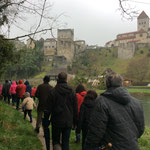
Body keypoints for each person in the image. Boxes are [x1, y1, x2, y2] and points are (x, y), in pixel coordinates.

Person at [84, 73, 145, 150]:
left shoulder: (101, 102)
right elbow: (141, 129)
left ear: (107, 84)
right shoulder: (137, 102)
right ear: (121, 83)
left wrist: (88, 147)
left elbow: (95, 132)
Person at [44, 72, 78, 150]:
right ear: (66, 79)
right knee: (66, 142)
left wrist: (46, 120)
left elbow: (48, 108)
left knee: (56, 141)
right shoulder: (72, 92)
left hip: (56, 120)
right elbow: (75, 109)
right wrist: (75, 122)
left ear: (58, 79)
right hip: (68, 121)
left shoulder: (53, 91)